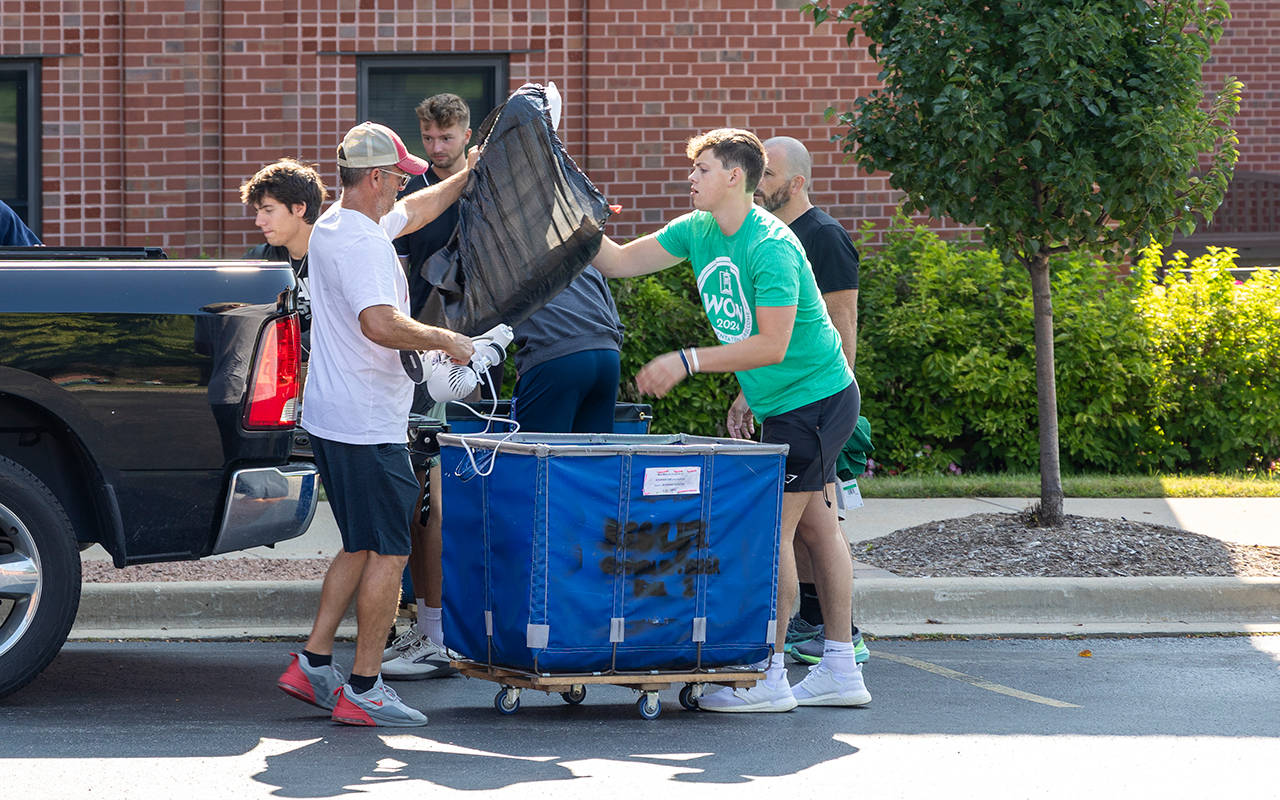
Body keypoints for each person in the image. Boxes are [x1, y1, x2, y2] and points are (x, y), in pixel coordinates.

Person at [591, 128, 870, 711]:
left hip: (813, 401)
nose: (690, 178)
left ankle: (767, 677)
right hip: (785, 404)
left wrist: (686, 360)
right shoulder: (697, 231)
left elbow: (771, 344)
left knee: (772, 536)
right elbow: (616, 262)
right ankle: (841, 669)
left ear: (734, 177)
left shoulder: (770, 244)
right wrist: (564, 216)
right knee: (817, 529)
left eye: (702, 170)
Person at [275, 121, 477, 727]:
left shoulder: (340, 223)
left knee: (359, 544)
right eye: (395, 177)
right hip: (367, 424)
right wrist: (448, 340)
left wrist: (469, 174)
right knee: (388, 552)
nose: (400, 187)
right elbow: (380, 324)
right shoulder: (361, 243)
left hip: (334, 418)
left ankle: (312, 664)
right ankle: (364, 687)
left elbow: (414, 210)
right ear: (372, 178)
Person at [756, 136, 871, 668]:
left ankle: (837, 632)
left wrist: (838, 397)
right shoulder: (773, 236)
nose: (759, 183)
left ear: (796, 182)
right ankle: (820, 625)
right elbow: (783, 333)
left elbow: (841, 320)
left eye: (769, 174)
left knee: (808, 519)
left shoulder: (822, 235)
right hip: (790, 397)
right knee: (811, 520)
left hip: (820, 402)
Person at [379, 93, 474, 681]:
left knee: (435, 499)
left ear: (466, 133)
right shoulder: (416, 198)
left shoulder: (484, 188)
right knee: (425, 496)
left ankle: (438, 631)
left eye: (447, 138)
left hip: (464, 357)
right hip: (428, 351)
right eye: (429, 139)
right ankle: (432, 624)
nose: (437, 149)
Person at [509, 265, 624, 434]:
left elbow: (483, 326)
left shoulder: (505, 262)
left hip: (556, 358)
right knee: (592, 454)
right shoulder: (584, 258)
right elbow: (617, 327)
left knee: (531, 453)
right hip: (608, 358)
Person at [239, 158, 328, 358]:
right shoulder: (260, 260)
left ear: (299, 208)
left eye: (268, 210)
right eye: (258, 211)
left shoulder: (337, 257)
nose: (259, 221)